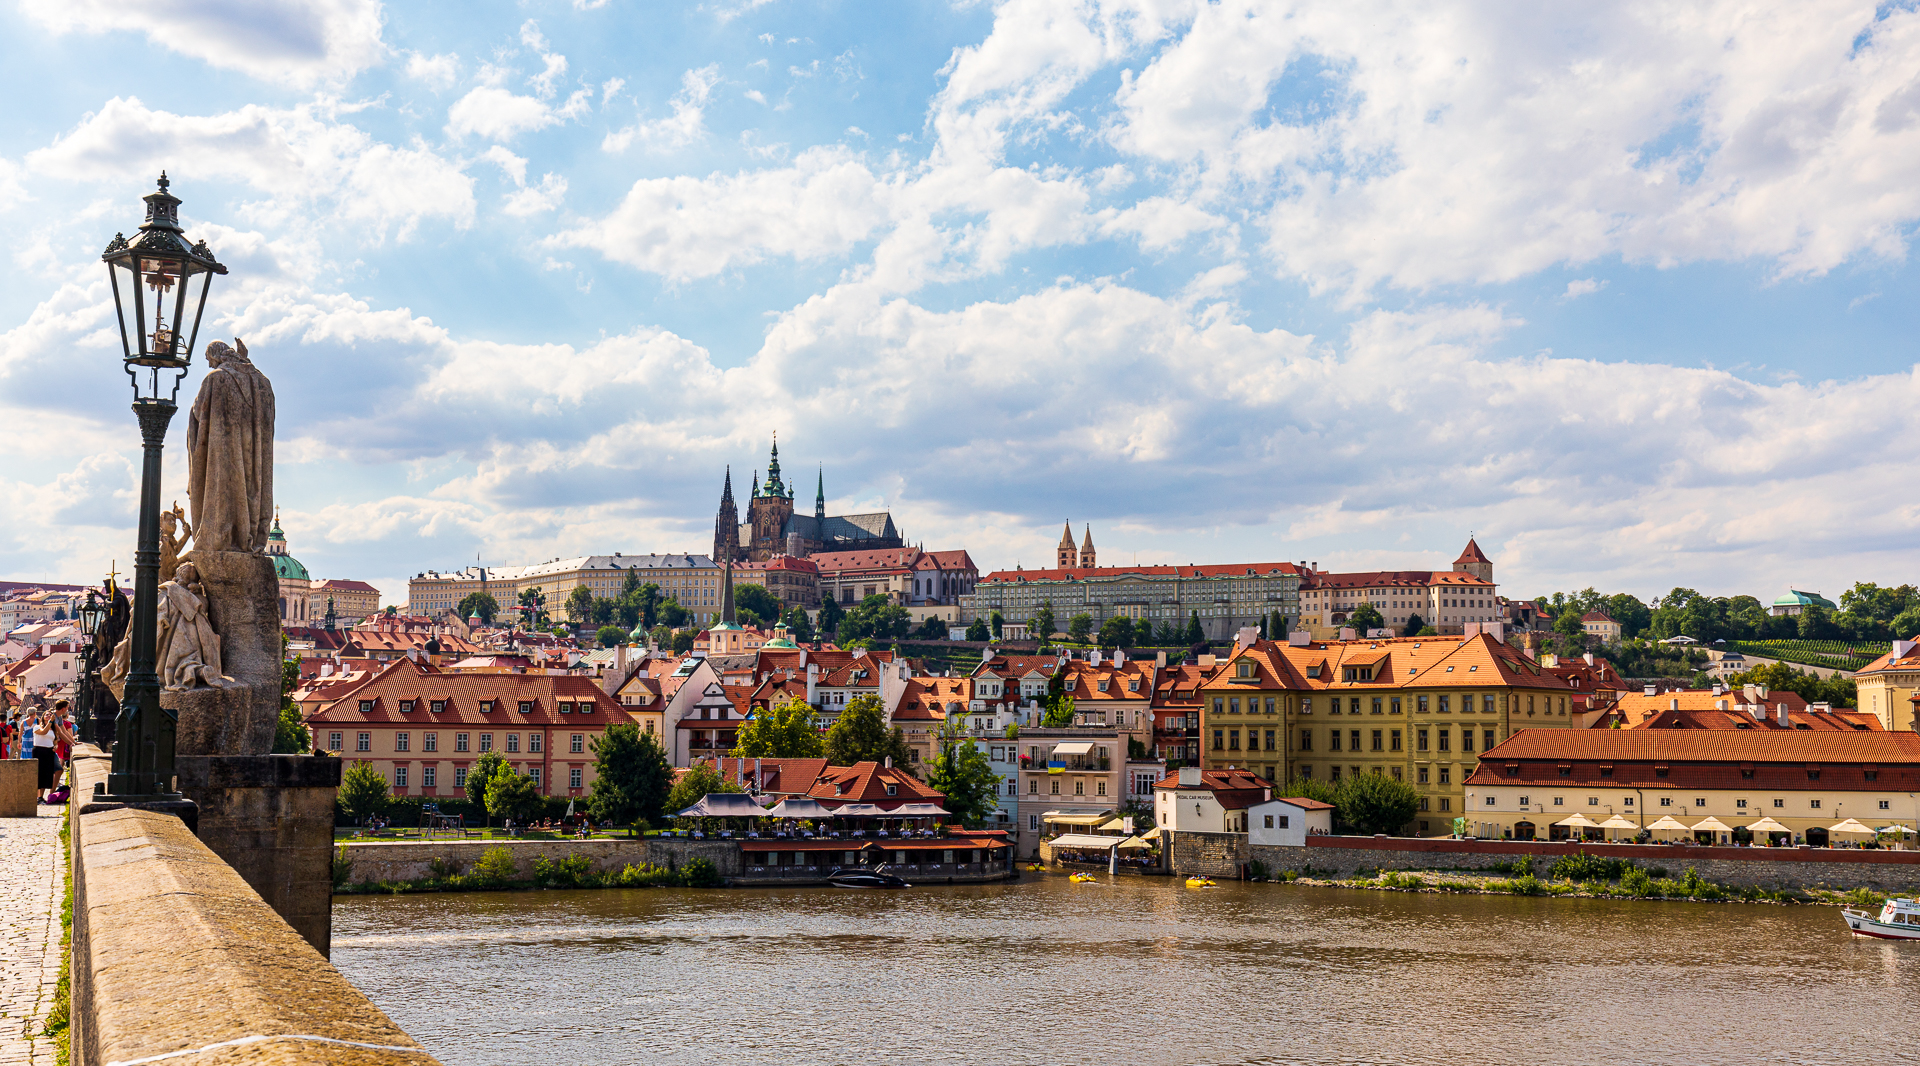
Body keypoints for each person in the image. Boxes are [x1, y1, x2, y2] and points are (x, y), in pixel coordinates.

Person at [33, 713, 58, 803]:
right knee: (38, 773)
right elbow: (44, 732)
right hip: (39, 751)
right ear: (42, 717)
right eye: (46, 715)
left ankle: (40, 797)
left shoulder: (53, 729)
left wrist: (55, 746)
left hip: (49, 751)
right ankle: (35, 796)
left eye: (50, 715)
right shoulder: (36, 727)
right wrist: (50, 721)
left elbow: (55, 741)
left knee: (46, 774)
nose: (48, 716)